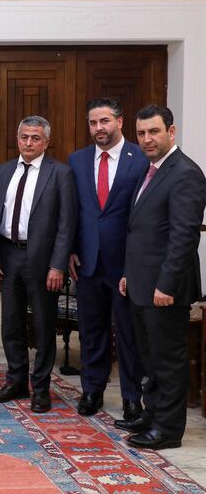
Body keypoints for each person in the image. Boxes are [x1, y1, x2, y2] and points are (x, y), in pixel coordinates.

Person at [117, 105, 206, 449]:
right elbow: (140, 229)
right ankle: (151, 414)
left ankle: (167, 430)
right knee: (150, 357)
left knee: (167, 361)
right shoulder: (151, 170)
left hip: (165, 288)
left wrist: (165, 285)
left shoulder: (185, 173)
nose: (147, 139)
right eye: (141, 133)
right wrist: (128, 273)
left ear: (172, 131)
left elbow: (184, 236)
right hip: (141, 283)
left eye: (154, 132)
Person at [0, 115, 76, 413]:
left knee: (43, 324)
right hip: (8, 255)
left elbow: (66, 224)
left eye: (35, 138)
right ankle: (16, 381)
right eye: (24, 136)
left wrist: (58, 265)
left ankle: (41, 388)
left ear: (46, 142)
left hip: (42, 260)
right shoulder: (4, 170)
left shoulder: (59, 173)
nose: (28, 142)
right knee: (10, 322)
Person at [68, 98, 146, 421]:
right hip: (87, 261)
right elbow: (72, 210)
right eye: (93, 123)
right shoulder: (77, 160)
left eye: (104, 121)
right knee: (91, 330)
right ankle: (92, 390)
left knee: (128, 334)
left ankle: (131, 397)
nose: (98, 128)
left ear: (120, 121)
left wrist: (134, 264)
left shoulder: (140, 159)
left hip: (125, 265)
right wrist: (71, 249)